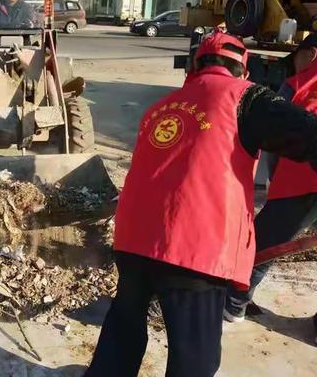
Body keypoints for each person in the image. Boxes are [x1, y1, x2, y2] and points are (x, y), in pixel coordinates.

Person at [84, 30, 317, 377]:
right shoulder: (246, 98)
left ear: (195, 65)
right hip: (193, 249)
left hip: (133, 239)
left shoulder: (161, 106)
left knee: (123, 329)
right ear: (244, 70)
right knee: (195, 355)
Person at [225, 34, 317, 326]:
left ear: (311, 54)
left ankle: (234, 302)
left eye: (298, 57)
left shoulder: (301, 83)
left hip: (302, 180)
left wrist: (275, 181)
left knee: (265, 241)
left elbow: (275, 137)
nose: (295, 65)